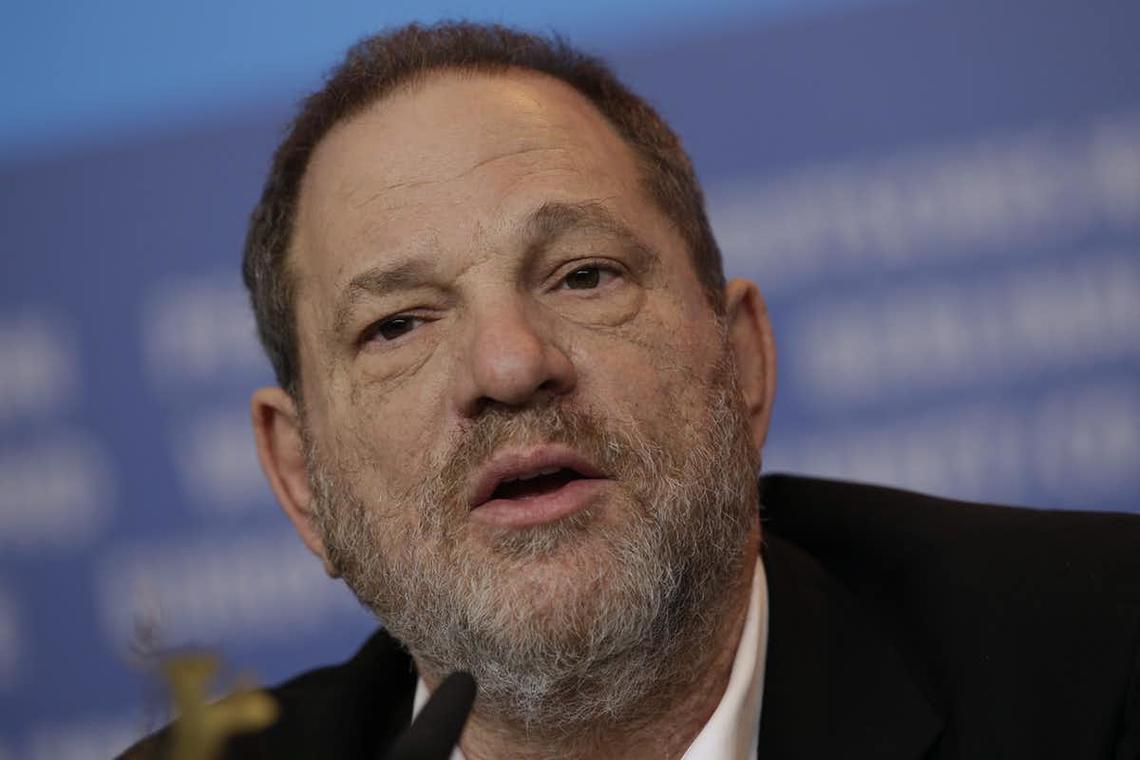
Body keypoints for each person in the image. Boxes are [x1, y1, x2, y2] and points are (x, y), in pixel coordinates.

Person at [127, 21, 1140, 760]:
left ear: (742, 361)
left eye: (584, 275)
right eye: (398, 324)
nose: (511, 366)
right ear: (303, 479)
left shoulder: (1099, 660)